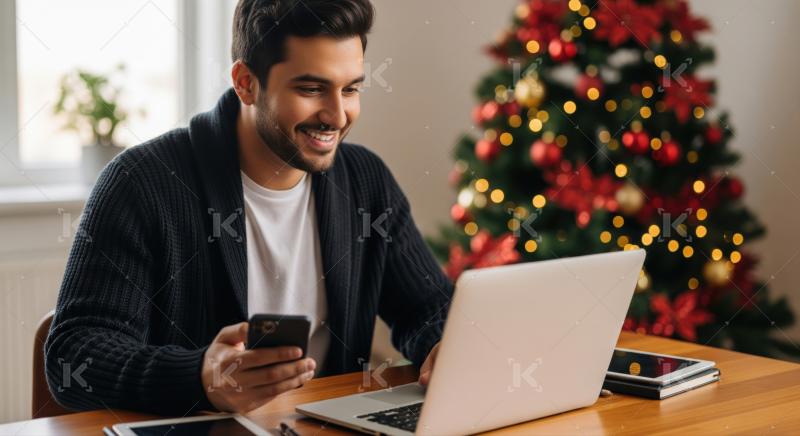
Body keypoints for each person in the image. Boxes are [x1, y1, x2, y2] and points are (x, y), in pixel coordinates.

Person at [45, 0, 452, 415]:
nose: (337, 115)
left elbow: (429, 307)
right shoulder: (141, 183)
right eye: (311, 89)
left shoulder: (366, 181)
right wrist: (201, 377)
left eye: (350, 89)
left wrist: (442, 346)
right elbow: (73, 357)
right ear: (245, 83)